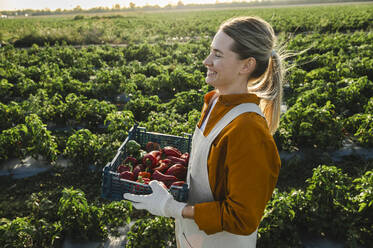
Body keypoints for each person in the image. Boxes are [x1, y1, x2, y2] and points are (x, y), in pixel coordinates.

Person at [124, 16, 284, 248]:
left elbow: (243, 217)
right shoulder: (215, 102)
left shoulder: (248, 129)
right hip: (195, 238)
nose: (206, 61)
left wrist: (172, 208)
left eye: (218, 54)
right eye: (211, 51)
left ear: (246, 65)